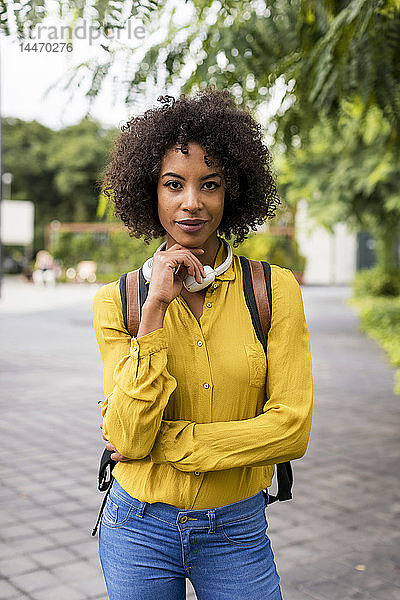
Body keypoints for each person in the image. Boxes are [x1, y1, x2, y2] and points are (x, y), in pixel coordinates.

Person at [92, 88, 313, 600]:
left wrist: (175, 445)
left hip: (236, 531)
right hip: (137, 528)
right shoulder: (116, 302)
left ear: (230, 193)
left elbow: (292, 429)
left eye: (209, 185)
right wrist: (153, 312)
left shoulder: (274, 291)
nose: (192, 203)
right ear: (152, 194)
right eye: (174, 185)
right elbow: (127, 434)